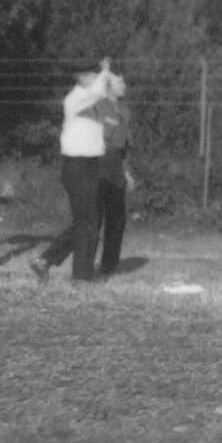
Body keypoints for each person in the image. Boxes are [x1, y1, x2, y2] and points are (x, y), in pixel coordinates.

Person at [31, 58, 115, 282]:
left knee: (86, 221)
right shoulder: (76, 98)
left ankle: (45, 260)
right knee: (88, 222)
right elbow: (99, 89)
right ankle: (81, 277)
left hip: (89, 165)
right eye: (92, 75)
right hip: (76, 166)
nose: (96, 78)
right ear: (81, 77)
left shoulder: (91, 103)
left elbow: (106, 97)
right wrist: (106, 71)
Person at [92, 71, 137, 276]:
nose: (124, 85)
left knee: (117, 218)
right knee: (94, 218)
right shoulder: (97, 106)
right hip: (98, 161)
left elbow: (126, 146)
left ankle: (109, 264)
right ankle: (84, 264)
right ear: (108, 86)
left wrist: (126, 171)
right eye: (120, 82)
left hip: (116, 165)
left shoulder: (125, 111)